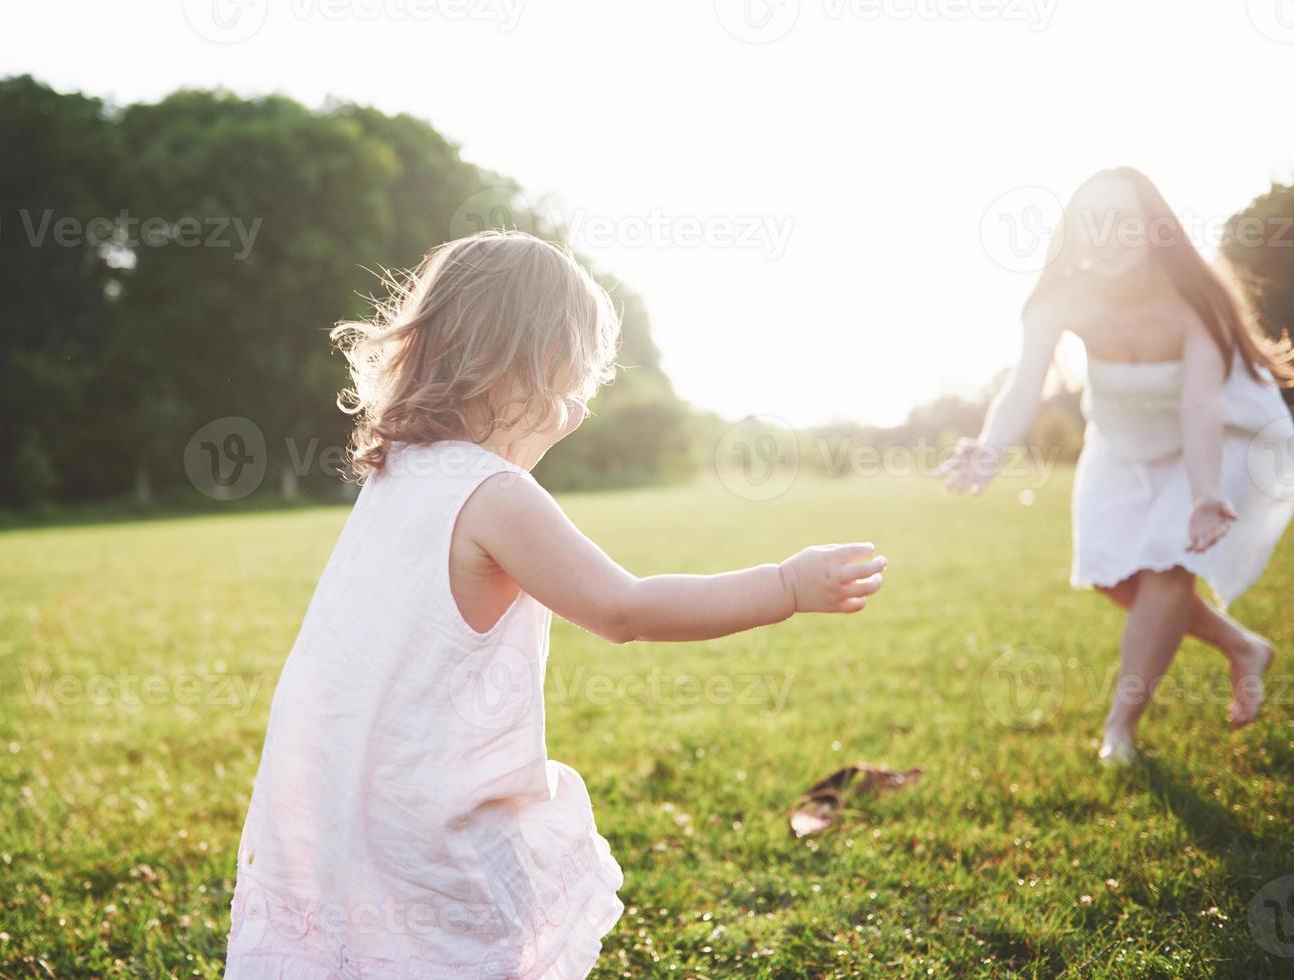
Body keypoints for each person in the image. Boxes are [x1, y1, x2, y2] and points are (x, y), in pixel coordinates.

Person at [225, 230, 888, 978]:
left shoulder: (399, 475)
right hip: (435, 819)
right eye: (571, 388)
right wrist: (785, 586)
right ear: (521, 370)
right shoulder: (493, 495)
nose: (575, 415)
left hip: (359, 798)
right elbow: (624, 608)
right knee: (468, 951)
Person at [941, 167, 1294, 764]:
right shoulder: (1060, 298)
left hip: (1222, 437)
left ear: (1154, 230)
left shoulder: (1193, 298)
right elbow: (1025, 386)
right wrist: (990, 446)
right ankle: (1243, 647)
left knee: (1166, 565)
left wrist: (1206, 493)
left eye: (1125, 222)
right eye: (1093, 222)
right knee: (1110, 573)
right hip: (1121, 438)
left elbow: (1200, 404)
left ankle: (1119, 731)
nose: (1108, 235)